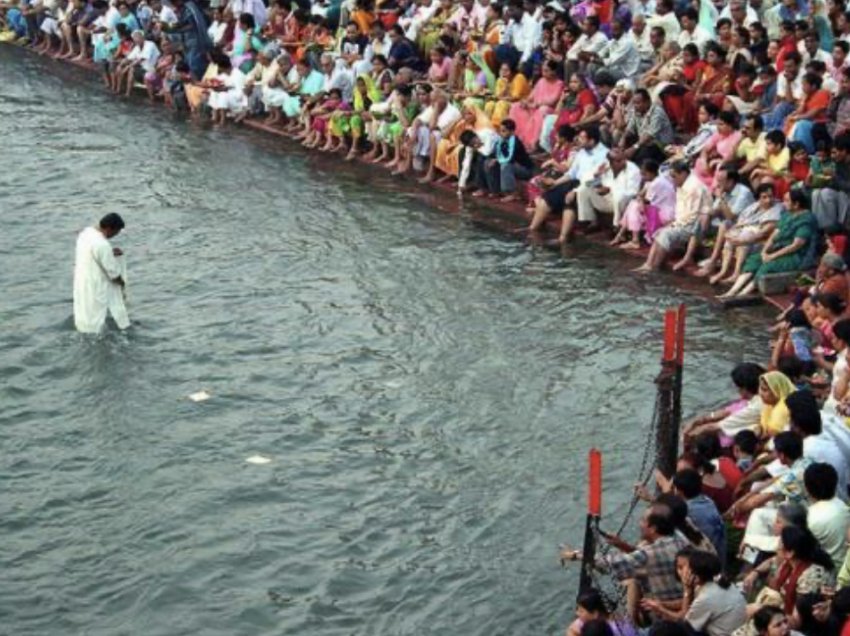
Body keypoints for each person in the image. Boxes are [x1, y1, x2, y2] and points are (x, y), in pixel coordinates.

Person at [634, 162, 712, 273]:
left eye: (674, 176)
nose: (672, 179)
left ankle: (655, 267)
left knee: (666, 234)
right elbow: (682, 211)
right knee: (660, 232)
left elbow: (692, 215)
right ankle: (648, 265)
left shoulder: (694, 188)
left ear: (683, 174)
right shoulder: (682, 184)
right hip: (683, 221)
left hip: (693, 225)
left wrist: (674, 224)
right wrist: (673, 222)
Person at [73, 213, 130, 334]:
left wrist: (110, 253)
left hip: (82, 282)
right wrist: (122, 283)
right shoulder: (103, 245)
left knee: (85, 312)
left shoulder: (86, 233)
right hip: (96, 285)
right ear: (109, 228)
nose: (115, 236)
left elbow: (91, 252)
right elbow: (113, 274)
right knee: (97, 317)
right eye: (116, 232)